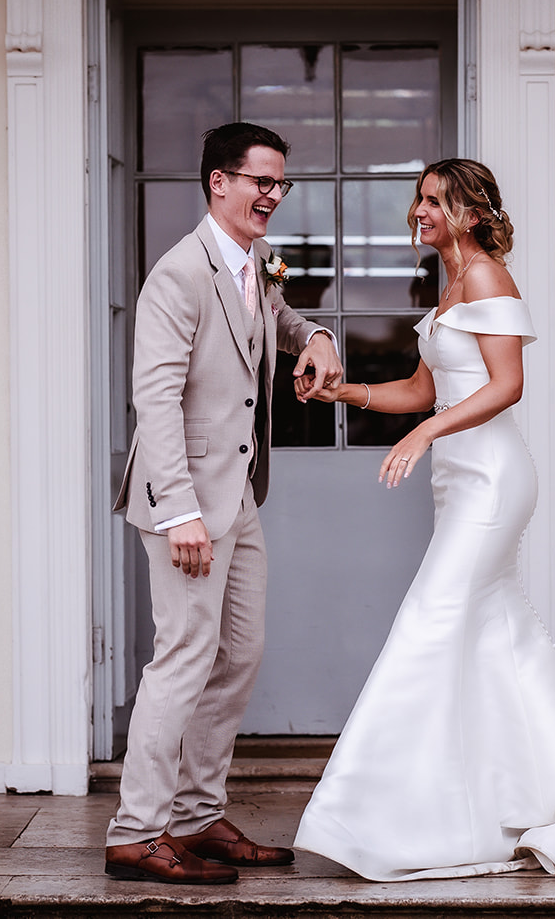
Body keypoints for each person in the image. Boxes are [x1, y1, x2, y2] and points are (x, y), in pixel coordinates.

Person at [290, 158, 555, 881]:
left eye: (434, 201)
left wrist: (426, 433)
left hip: (491, 481)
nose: (419, 210)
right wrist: (346, 394)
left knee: (428, 622)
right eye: (418, 198)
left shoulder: (486, 276)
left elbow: (507, 386)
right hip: (460, 485)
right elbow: (422, 387)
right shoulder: (448, 287)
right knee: (495, 637)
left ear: (472, 214)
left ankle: (373, 818)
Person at [105, 122, 344, 885]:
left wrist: (317, 336)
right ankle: (135, 830)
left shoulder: (254, 262)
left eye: (280, 184)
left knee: (237, 652)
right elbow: (156, 398)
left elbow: (275, 318)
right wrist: (179, 513)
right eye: (260, 181)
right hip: (187, 501)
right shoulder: (179, 274)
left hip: (237, 495)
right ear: (219, 182)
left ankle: (198, 815)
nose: (272, 195)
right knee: (182, 656)